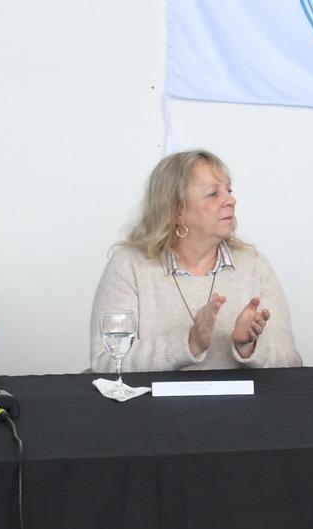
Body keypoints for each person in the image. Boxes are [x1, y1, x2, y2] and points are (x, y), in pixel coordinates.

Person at [87, 149, 300, 372]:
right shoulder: (129, 265)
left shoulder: (254, 264)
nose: (231, 200)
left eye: (229, 190)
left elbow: (292, 363)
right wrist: (188, 345)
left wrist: (249, 346)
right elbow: (105, 362)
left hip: (237, 406)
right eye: (213, 193)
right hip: (151, 406)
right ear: (177, 210)